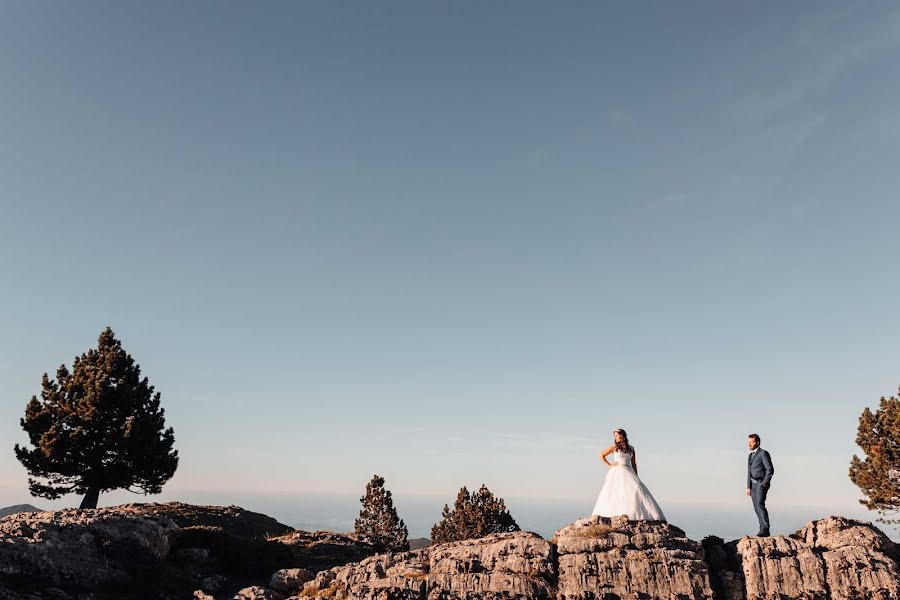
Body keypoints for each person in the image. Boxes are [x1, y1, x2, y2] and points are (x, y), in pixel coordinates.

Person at [591, 428, 666, 520]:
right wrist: (609, 465)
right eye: (614, 436)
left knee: (636, 489)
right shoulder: (613, 447)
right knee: (615, 491)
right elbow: (601, 455)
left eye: (617, 435)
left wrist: (636, 475)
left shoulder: (631, 448)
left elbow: (634, 463)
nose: (616, 437)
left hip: (629, 471)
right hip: (617, 471)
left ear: (622, 435)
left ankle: (639, 514)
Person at [746, 433, 774, 536]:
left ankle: (765, 529)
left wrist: (764, 483)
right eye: (748, 442)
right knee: (756, 507)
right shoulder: (750, 456)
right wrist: (748, 487)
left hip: (760, 484)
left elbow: (770, 469)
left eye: (751, 442)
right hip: (752, 486)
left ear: (757, 442)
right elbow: (749, 471)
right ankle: (762, 528)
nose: (749, 444)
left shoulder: (763, 453)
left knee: (760, 505)